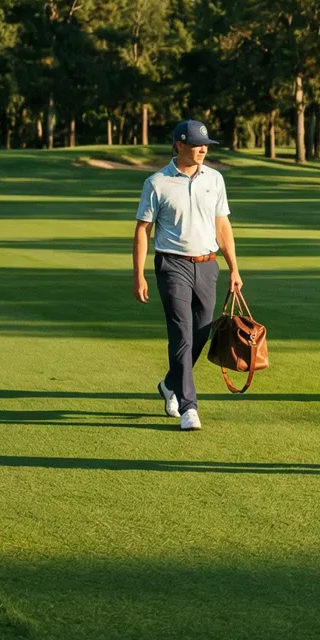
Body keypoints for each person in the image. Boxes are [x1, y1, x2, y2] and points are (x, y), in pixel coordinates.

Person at [132, 120, 243, 432]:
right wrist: (139, 275)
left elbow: (222, 226)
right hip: (172, 265)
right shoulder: (157, 183)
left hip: (208, 265)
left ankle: (170, 384)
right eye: (196, 144)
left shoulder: (215, 179)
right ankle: (188, 407)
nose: (203, 149)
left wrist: (234, 268)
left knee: (202, 333)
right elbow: (142, 230)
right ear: (179, 145)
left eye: (205, 144)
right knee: (181, 334)